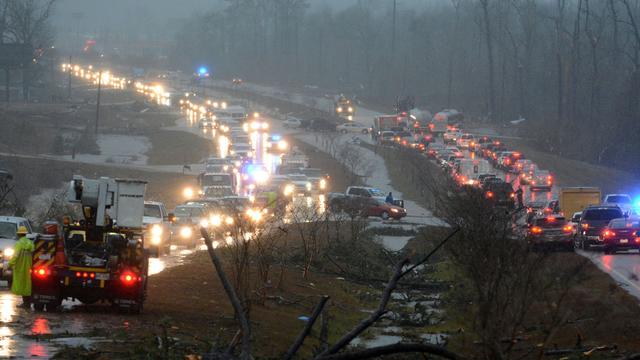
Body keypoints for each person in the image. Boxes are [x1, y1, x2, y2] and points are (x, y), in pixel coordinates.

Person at [9, 226, 34, 308]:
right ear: (25, 234)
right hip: (28, 267)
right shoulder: (30, 243)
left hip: (19, 267)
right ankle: (27, 303)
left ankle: (26, 303)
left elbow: (15, 256)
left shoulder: (18, 244)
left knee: (21, 284)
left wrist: (10, 264)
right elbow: (33, 252)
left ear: (19, 234)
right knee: (27, 284)